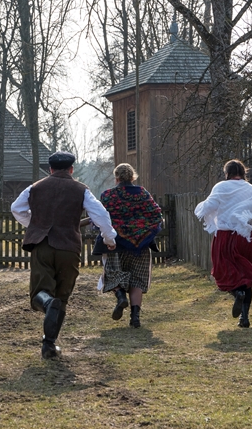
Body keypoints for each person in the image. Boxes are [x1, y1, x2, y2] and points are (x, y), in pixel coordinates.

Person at [11, 151, 117, 359]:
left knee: (40, 292)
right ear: (71, 169)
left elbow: (16, 208)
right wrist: (109, 239)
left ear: (50, 169)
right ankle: (49, 345)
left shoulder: (35, 188)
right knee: (61, 297)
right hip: (68, 247)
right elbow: (101, 215)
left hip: (42, 245)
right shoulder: (81, 190)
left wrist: (37, 226)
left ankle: (47, 307)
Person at [193, 159, 252, 328]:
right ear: (243, 173)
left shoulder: (221, 187)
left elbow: (209, 206)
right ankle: (244, 318)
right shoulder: (251, 188)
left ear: (227, 173)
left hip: (228, 237)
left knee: (224, 272)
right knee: (247, 277)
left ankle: (237, 293)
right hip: (251, 236)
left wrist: (201, 207)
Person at [98, 163, 163, 329]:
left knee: (113, 274)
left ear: (116, 178)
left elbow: (101, 218)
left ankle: (121, 297)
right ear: (133, 177)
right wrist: (145, 234)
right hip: (140, 245)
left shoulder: (108, 195)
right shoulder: (142, 193)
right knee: (137, 280)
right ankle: (135, 318)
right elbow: (156, 215)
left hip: (115, 244)